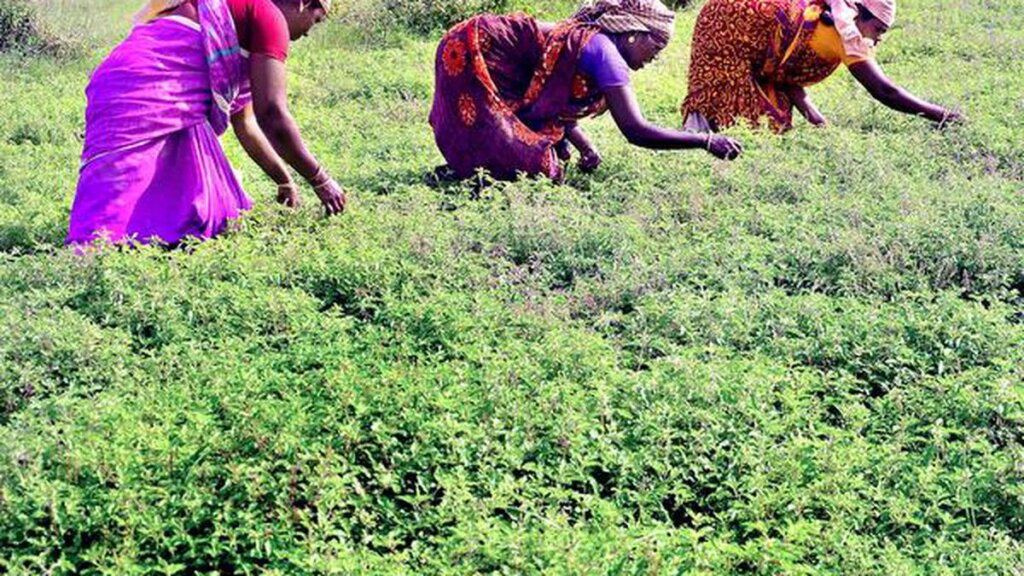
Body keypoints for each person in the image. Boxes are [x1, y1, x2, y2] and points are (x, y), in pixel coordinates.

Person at [66, 0, 345, 248]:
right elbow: (272, 115)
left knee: (185, 204)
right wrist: (320, 180)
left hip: (116, 77)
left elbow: (246, 124)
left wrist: (284, 180)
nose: (308, 32)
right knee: (120, 195)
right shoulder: (269, 17)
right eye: (316, 20)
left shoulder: (243, 13)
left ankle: (118, 245)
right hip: (144, 87)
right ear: (303, 3)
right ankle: (90, 255)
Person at [429, 0, 743, 184]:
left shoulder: (595, 45)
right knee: (539, 167)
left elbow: (554, 99)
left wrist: (584, 145)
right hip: (473, 49)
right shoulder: (604, 53)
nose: (656, 56)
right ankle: (467, 172)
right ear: (633, 34)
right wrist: (705, 140)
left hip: (476, 45)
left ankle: (468, 171)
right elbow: (635, 130)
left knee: (543, 151)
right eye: (656, 45)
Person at [681, 0, 963, 133]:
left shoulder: (839, 23)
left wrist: (816, 119)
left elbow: (786, 70)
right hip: (728, 25)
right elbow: (885, 91)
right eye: (877, 29)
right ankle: (699, 147)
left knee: (775, 123)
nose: (878, 38)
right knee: (736, 116)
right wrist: (942, 115)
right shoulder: (846, 35)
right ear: (859, 16)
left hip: (755, 35)